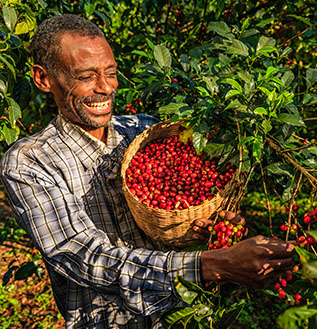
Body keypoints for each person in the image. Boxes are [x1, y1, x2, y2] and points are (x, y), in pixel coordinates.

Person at [0, 14, 295, 329]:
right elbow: (83, 257)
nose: (105, 87)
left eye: (111, 73)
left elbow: (184, 215)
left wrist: (212, 234)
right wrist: (211, 265)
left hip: (187, 315)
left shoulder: (145, 129)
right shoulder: (30, 161)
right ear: (44, 79)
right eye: (86, 76)